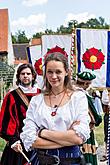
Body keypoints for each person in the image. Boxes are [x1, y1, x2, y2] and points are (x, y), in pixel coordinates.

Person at [20, 47, 90, 165]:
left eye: (58, 72)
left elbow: (79, 137)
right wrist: (67, 139)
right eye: (50, 72)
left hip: (70, 160)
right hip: (41, 160)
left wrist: (42, 133)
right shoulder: (37, 101)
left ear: (66, 72)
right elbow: (29, 139)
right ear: (45, 72)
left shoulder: (78, 98)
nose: (53, 76)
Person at [0, 63, 40, 165]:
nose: (25, 76)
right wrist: (13, 140)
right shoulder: (11, 96)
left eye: (28, 73)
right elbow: (6, 119)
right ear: (18, 76)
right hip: (19, 144)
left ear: (33, 76)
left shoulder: (42, 94)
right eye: (23, 74)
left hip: (41, 142)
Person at [76, 71, 102, 165]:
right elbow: (95, 115)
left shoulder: (72, 92)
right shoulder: (83, 95)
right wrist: (98, 119)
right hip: (86, 129)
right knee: (87, 156)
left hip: (76, 129)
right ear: (86, 83)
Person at [101, 88, 109, 162]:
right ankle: (106, 153)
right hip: (108, 114)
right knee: (107, 134)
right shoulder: (106, 89)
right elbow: (105, 101)